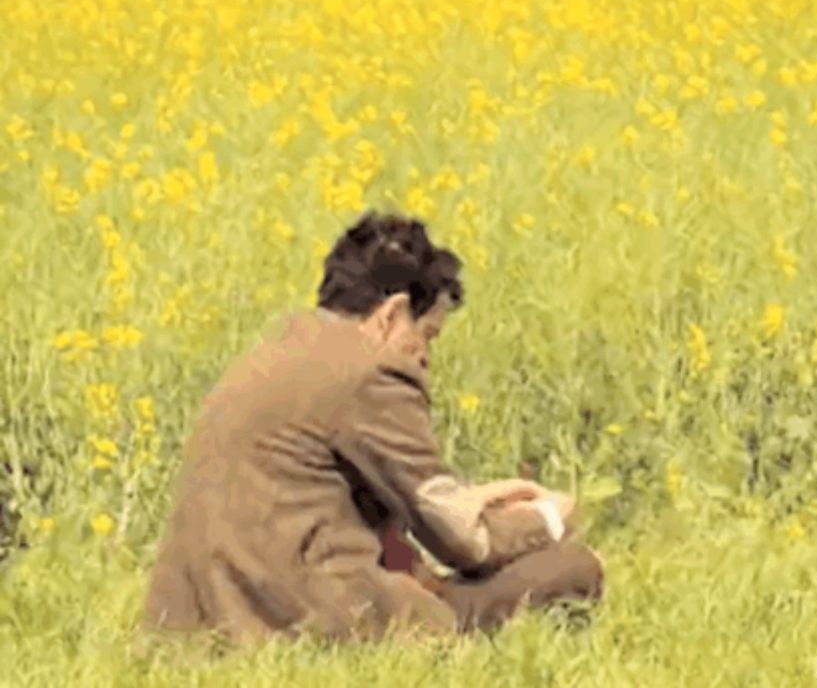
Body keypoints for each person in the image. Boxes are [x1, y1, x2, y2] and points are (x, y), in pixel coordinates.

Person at [143, 211, 604, 646]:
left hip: (195, 622)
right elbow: (458, 540)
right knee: (572, 568)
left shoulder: (279, 350)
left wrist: (481, 498)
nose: (424, 357)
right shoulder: (372, 372)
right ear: (392, 313)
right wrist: (546, 517)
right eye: (426, 335)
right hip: (304, 619)